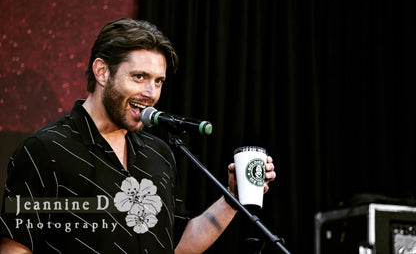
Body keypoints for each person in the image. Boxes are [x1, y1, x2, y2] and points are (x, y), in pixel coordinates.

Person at [0, 18, 276, 253]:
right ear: (102, 72)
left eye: (158, 81)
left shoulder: (158, 153)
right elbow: (17, 246)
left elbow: (178, 245)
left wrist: (232, 198)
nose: (151, 93)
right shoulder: (45, 150)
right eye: (139, 77)